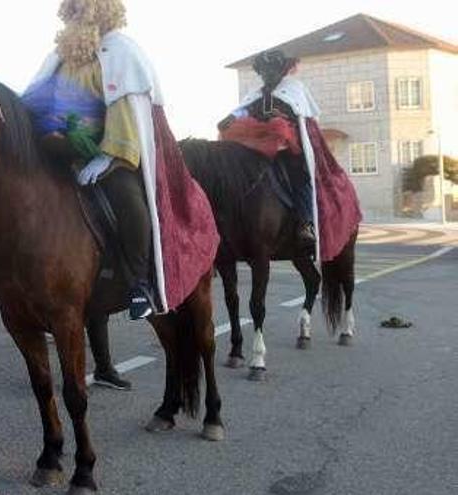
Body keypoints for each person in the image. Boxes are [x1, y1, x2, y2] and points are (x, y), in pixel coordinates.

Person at [23, 0, 219, 388]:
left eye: (84, 6)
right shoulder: (58, 57)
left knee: (129, 202)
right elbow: (34, 103)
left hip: (113, 155)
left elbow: (127, 117)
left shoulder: (121, 52)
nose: (77, 12)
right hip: (62, 155)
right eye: (72, 8)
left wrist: (110, 155)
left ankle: (140, 281)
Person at [219, 50, 317, 247]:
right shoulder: (257, 92)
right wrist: (232, 117)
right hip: (259, 138)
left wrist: (281, 113)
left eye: (271, 69)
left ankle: (306, 222)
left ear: (280, 70)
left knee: (300, 175)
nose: (267, 74)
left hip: (287, 140)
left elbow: (300, 111)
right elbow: (245, 108)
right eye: (263, 71)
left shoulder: (293, 88)